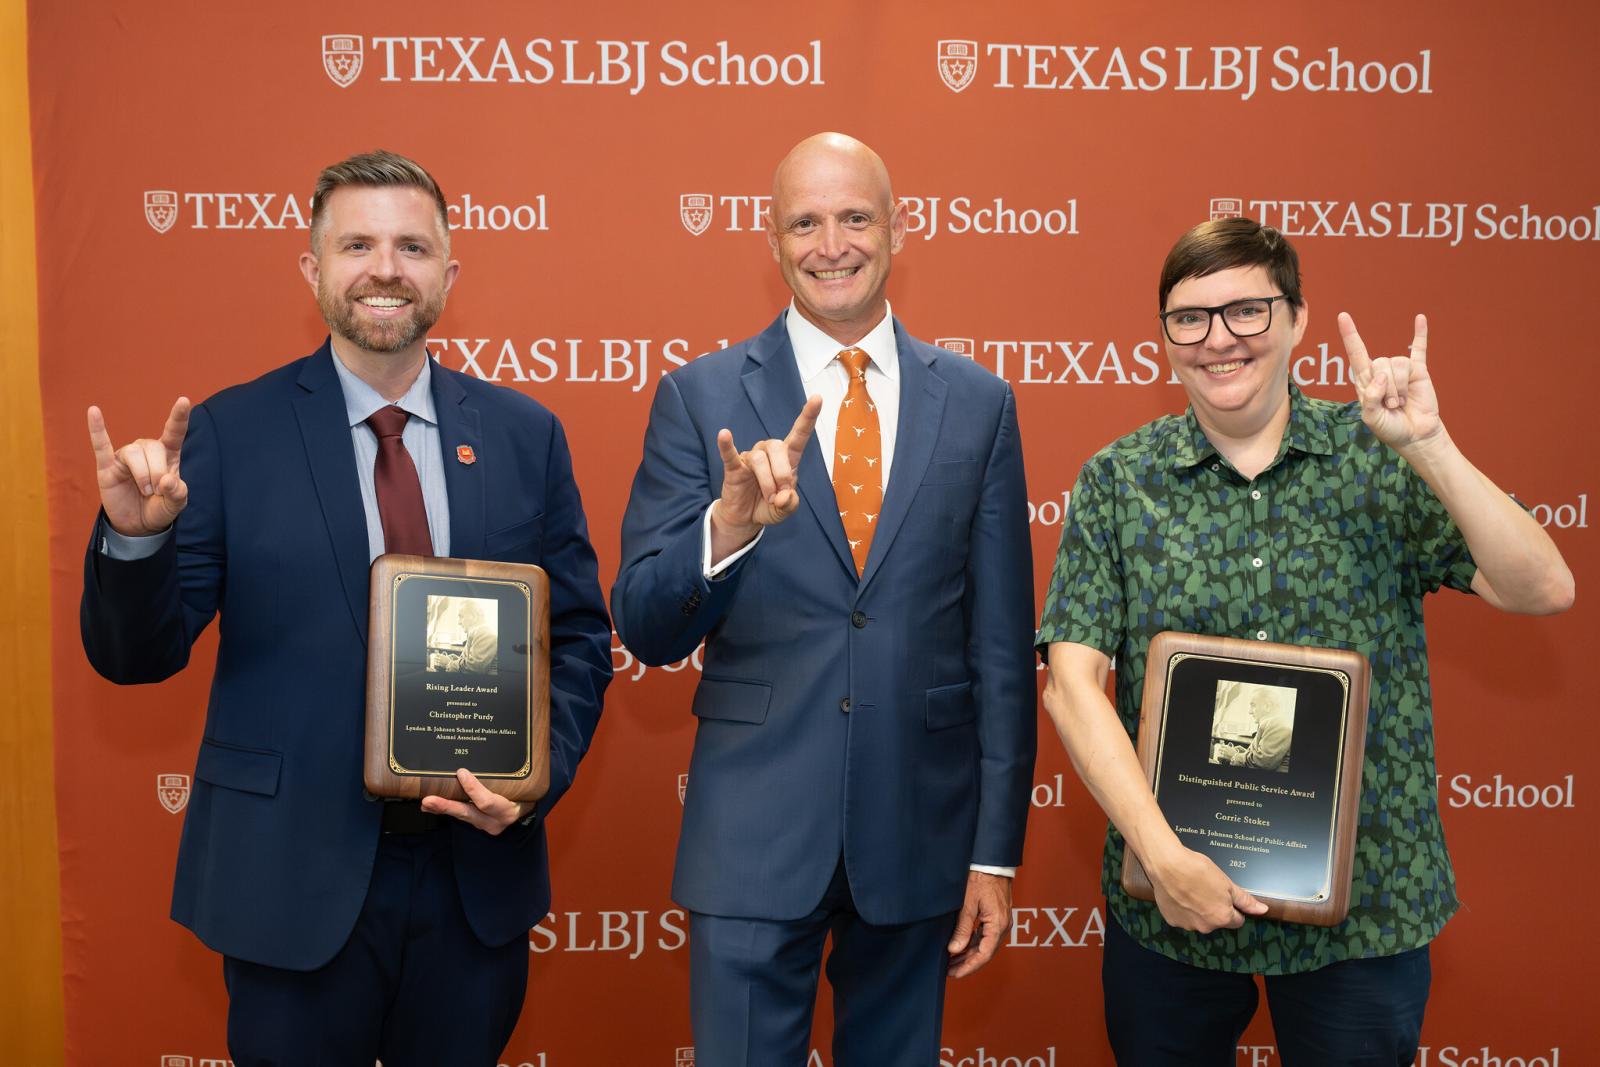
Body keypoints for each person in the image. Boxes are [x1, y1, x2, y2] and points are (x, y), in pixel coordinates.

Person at [80, 150, 613, 1066]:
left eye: (411, 246)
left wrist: (529, 780)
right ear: (313, 269)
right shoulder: (229, 432)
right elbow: (139, 653)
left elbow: (578, 641)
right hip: (289, 881)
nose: (384, 269)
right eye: (357, 243)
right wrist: (136, 540)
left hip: (471, 885)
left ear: (449, 272)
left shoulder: (527, 435)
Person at [1038, 217, 1574, 1066]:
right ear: (1166, 335)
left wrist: (1429, 445)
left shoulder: (1380, 458)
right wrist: (1161, 854)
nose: (1219, 339)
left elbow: (1543, 587)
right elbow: (1072, 682)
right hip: (1173, 903)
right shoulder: (1118, 480)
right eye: (1190, 317)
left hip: (1365, 905)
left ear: (1297, 320)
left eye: (1248, 310)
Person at [611, 132, 1036, 1065]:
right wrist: (728, 529)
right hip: (754, 838)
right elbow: (641, 622)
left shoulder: (978, 402)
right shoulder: (699, 394)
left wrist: (993, 854)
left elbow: (1002, 649)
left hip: (918, 837)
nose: (830, 243)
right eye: (804, 222)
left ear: (898, 229)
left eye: (854, 217)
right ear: (771, 242)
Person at [457, 598, 499, 675]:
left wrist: (450, 663)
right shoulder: (476, 632)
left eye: (461, 616)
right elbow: (468, 661)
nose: (458, 622)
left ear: (474, 616)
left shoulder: (484, 633)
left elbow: (474, 669)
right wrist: (456, 659)